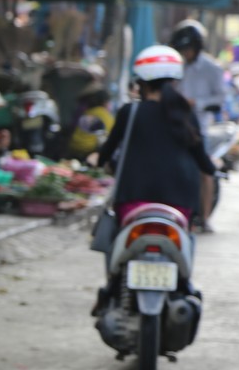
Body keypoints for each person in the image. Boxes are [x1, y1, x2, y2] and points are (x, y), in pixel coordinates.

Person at [96, 45, 215, 237]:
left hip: (133, 199)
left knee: (120, 239)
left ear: (141, 83)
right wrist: (211, 167)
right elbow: (205, 165)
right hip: (180, 204)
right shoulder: (185, 115)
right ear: (175, 81)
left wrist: (100, 161)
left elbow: (107, 151)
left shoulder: (130, 112)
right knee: (185, 242)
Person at [170, 20, 226, 130]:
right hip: (176, 125)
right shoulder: (178, 66)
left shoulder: (212, 68)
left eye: (187, 49)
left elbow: (220, 98)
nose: (185, 53)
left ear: (196, 46)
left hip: (200, 127)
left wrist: (196, 103)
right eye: (182, 50)